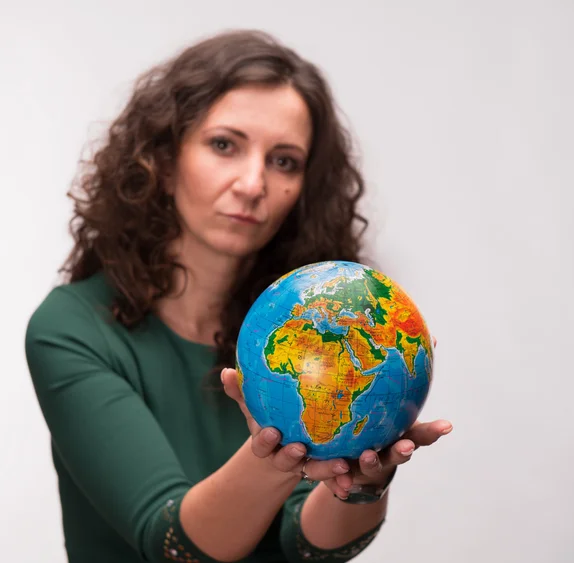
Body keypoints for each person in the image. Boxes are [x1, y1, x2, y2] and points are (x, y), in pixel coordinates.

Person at [25, 29, 453, 563]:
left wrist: (365, 478)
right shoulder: (72, 327)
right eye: (224, 145)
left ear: (304, 189)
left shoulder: (314, 327)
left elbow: (307, 544)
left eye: (284, 161)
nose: (253, 183)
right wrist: (270, 460)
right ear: (161, 160)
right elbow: (172, 545)